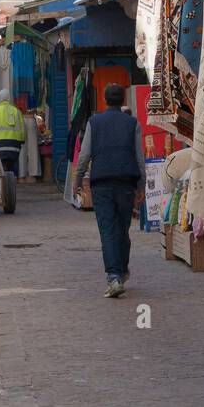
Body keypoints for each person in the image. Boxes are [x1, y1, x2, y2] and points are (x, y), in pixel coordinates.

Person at [71, 83, 144, 298]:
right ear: (123, 100)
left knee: (108, 230)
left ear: (105, 100)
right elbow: (139, 158)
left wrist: (77, 179)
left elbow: (84, 155)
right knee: (122, 229)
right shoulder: (133, 123)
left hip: (101, 183)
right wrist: (141, 186)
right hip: (126, 183)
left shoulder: (95, 122)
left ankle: (114, 277)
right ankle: (121, 270)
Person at [0, 90, 25, 179]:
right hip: (15, 145)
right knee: (12, 165)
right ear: (9, 98)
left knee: (1, 166)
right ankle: (13, 180)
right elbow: (22, 128)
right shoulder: (17, 111)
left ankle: (4, 184)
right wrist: (22, 140)